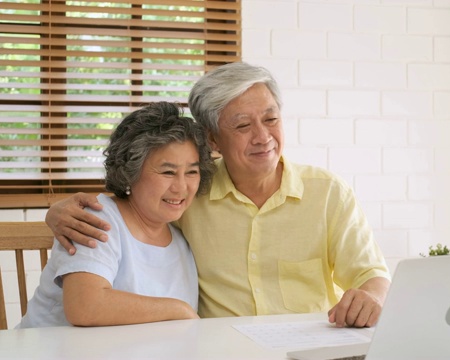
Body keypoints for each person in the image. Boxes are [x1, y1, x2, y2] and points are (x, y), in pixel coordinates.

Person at [44, 62, 391, 328]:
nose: (263, 136)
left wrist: (372, 296)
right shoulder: (191, 196)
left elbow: (371, 274)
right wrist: (56, 210)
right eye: (242, 125)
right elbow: (137, 193)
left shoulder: (328, 193)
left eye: (271, 119)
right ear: (212, 140)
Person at [17, 102, 213, 328]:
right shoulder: (98, 218)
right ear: (131, 171)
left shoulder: (181, 236)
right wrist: (178, 309)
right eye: (167, 172)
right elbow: (85, 307)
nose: (181, 187)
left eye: (191, 172)